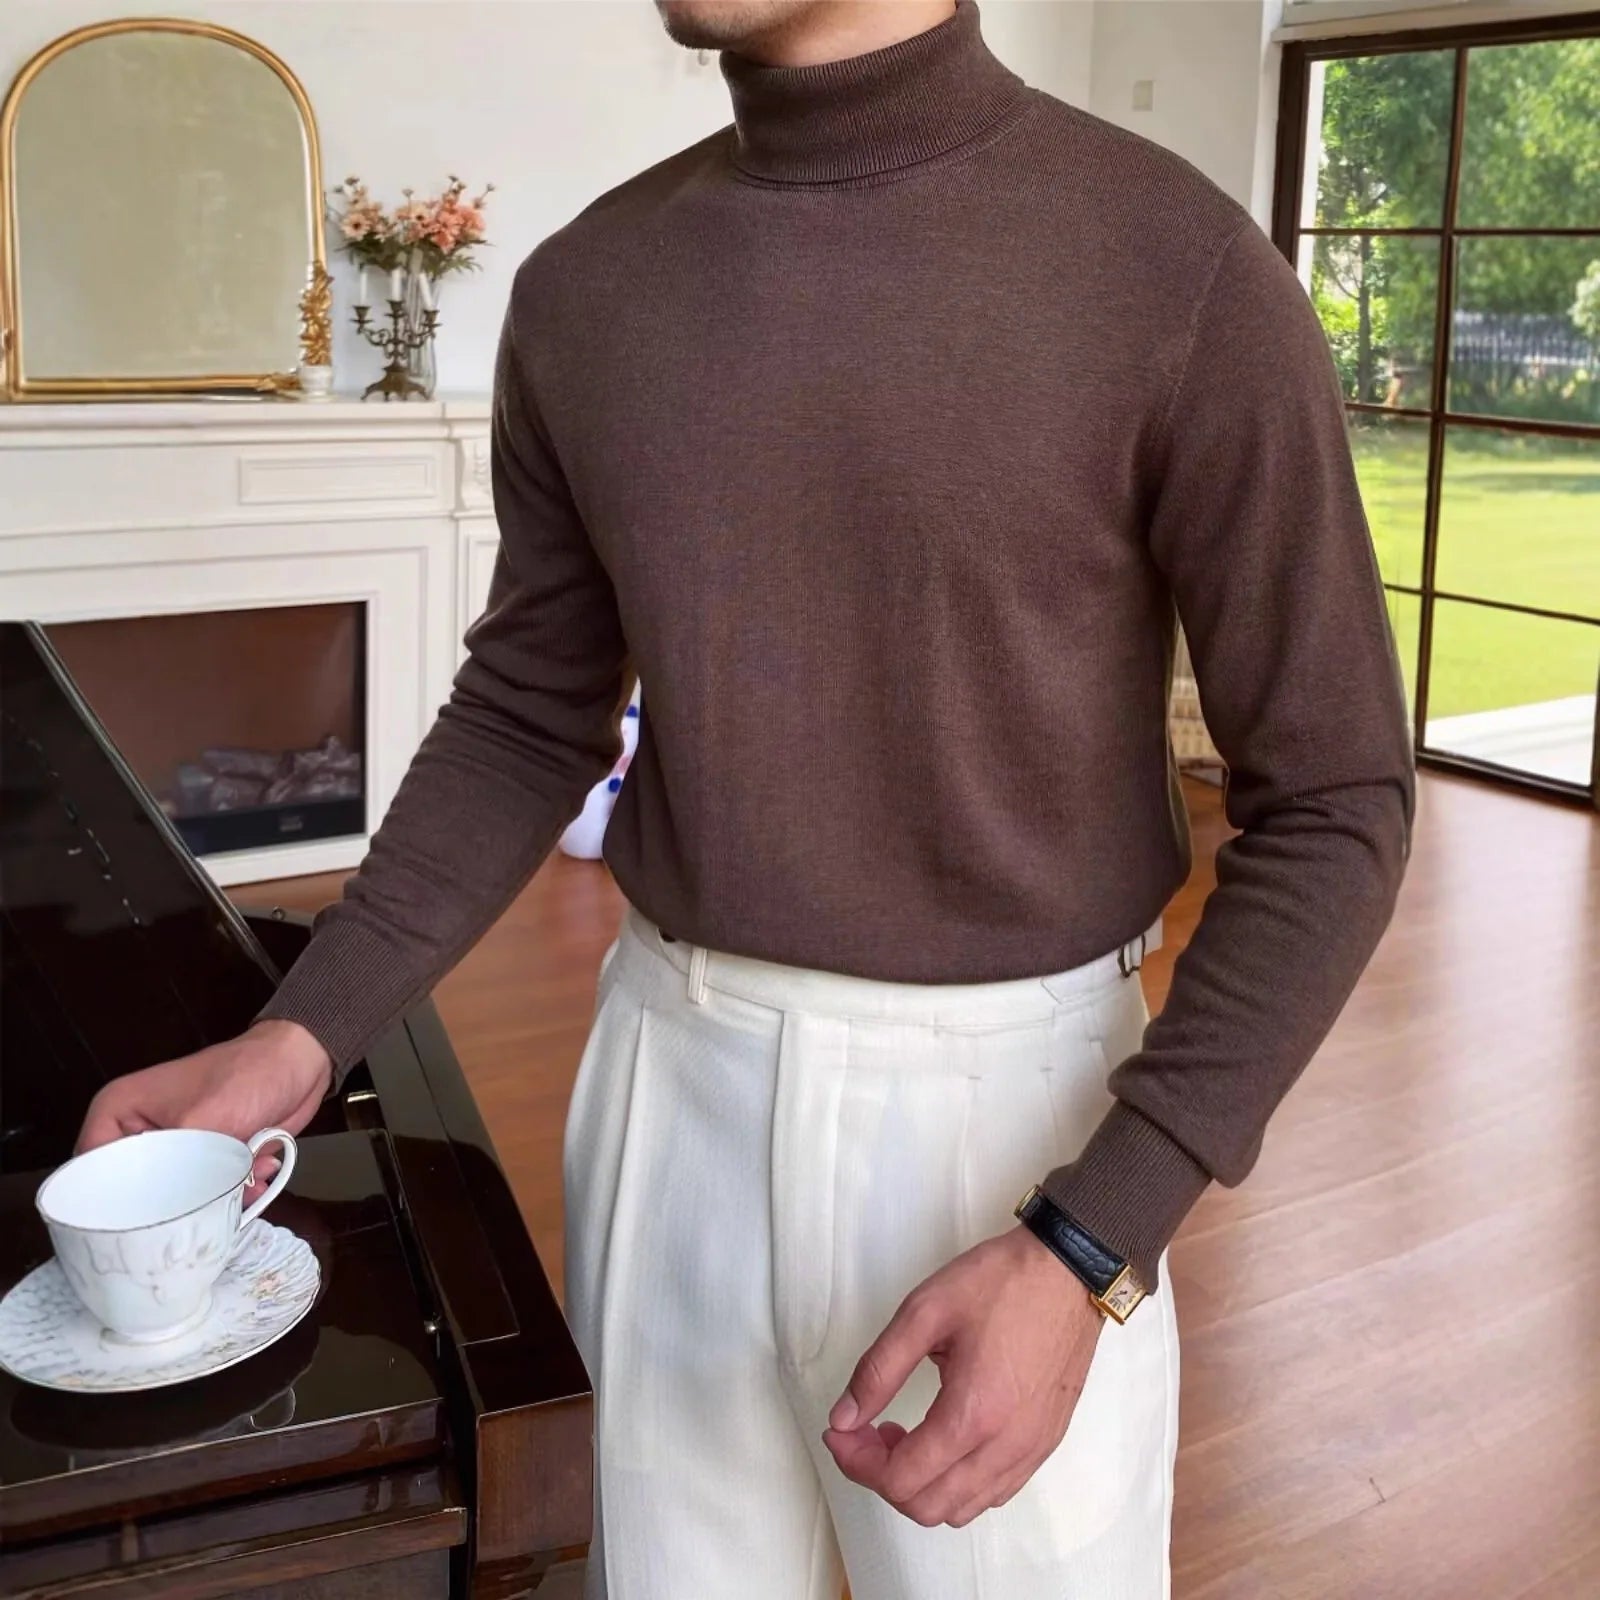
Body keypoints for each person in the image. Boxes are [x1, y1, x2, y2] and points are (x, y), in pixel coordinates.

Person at [77, 2, 1415, 1595]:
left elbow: (1338, 800)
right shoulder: (588, 289)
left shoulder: (1175, 269)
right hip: (664, 1089)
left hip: (1017, 1132)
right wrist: (301, 1031)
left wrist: (1092, 1241)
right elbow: (525, 714)